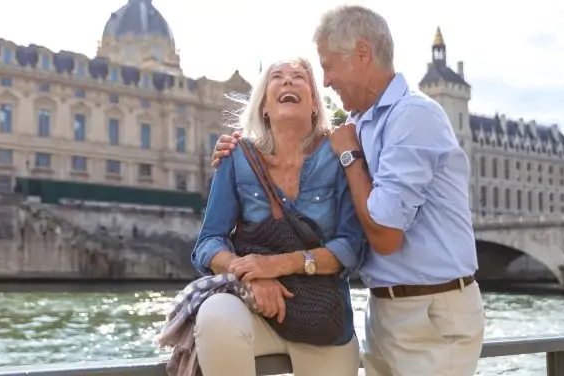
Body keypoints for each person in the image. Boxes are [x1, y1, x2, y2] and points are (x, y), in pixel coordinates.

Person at [211, 5, 485, 376]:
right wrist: (236, 149)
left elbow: (385, 237)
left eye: (328, 66)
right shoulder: (356, 123)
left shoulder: (413, 116)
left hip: (433, 313)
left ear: (361, 54)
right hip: (385, 311)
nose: (325, 82)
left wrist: (350, 158)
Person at [191, 57, 364, 376]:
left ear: (314, 103)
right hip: (255, 311)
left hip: (324, 320)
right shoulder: (237, 156)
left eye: (300, 77)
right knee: (215, 316)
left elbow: (351, 248)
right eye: (277, 77)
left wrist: (276, 265)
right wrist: (251, 275)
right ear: (264, 107)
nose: (288, 81)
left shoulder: (339, 155)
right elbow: (207, 243)